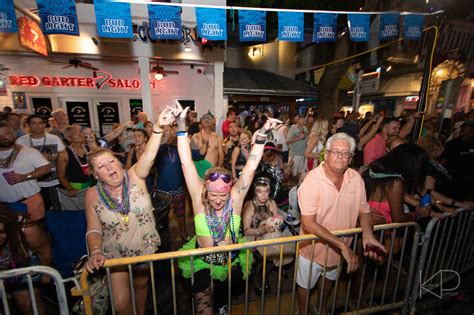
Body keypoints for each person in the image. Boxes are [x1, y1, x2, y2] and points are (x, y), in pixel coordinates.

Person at [176, 103, 281, 315]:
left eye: (222, 195)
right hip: (202, 263)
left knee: (223, 308)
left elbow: (251, 167)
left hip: (230, 262)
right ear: (206, 189)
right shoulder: (198, 197)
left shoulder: (235, 198)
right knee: (204, 309)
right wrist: (180, 126)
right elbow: (186, 163)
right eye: (213, 195)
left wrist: (261, 133)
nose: (217, 200)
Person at [84, 107, 174, 315]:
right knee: (121, 304)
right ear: (96, 175)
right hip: (115, 253)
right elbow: (93, 229)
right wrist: (96, 250)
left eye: (111, 161)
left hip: (143, 245)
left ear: (118, 162)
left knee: (141, 287)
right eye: (100, 166)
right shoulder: (92, 195)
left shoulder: (134, 176)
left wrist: (159, 127)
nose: (108, 167)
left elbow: (149, 156)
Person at [297, 132, 385, 315]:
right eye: (336, 152)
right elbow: (308, 223)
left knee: (328, 281)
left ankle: (321, 309)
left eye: (345, 153)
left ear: (351, 158)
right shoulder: (312, 181)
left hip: (341, 249)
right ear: (326, 154)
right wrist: (342, 247)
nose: (340, 156)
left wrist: (368, 235)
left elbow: (364, 210)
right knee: (304, 285)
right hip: (312, 248)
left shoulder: (356, 179)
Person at [0, 121, 53, 271]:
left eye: (7, 133)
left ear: (13, 133)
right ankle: (16, 277)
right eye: (1, 135)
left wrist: (26, 176)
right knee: (10, 245)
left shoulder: (28, 152)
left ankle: (46, 273)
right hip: (3, 208)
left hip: (30, 203)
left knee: (39, 242)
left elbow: (46, 168)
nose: (5, 137)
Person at [0, 205, 46, 315]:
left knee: (29, 305)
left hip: (20, 264)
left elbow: (44, 250)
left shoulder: (26, 229)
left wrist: (47, 273)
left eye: (1, 232)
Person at [16, 114, 66, 211]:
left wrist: (50, 157)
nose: (37, 126)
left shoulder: (54, 138)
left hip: (54, 182)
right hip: (32, 183)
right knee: (37, 212)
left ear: (44, 124)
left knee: (58, 210)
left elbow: (63, 157)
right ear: (28, 125)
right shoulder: (21, 141)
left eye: (40, 123)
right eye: (33, 123)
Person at [242, 177, 280, 295]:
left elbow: (277, 220)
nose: (263, 195)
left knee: (277, 253)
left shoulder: (271, 203)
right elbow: (246, 230)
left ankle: (264, 275)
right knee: (261, 257)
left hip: (269, 236)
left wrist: (276, 225)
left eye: (266, 191)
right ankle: (256, 277)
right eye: (260, 191)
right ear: (255, 192)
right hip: (253, 237)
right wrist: (261, 230)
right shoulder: (250, 206)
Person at [155, 124, 188, 240]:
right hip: (162, 188)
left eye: (175, 131)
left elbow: (197, 155)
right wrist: (165, 137)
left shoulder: (180, 148)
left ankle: (183, 233)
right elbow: (156, 151)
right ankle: (164, 237)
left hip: (177, 187)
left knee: (180, 212)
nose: (172, 133)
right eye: (170, 131)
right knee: (162, 216)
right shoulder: (159, 149)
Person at [56, 125, 94, 209]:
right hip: (75, 190)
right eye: (75, 133)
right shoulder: (63, 154)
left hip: (92, 187)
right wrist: (70, 189)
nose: (80, 134)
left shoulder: (90, 149)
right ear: (69, 138)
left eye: (80, 132)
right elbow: (61, 175)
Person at [191, 113, 224, 178]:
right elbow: (192, 155)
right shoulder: (195, 136)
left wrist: (218, 168)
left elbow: (221, 154)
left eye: (208, 119)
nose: (206, 120)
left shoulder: (217, 137)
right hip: (198, 170)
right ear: (200, 124)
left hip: (212, 170)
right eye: (204, 119)